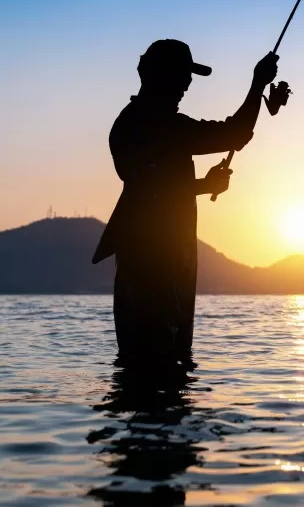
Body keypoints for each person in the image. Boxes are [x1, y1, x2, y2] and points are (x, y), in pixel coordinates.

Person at [92, 39, 288, 367]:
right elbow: (234, 133)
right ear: (158, 76)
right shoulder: (156, 125)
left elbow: (153, 188)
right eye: (182, 74)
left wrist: (203, 185)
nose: (187, 83)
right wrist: (257, 84)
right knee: (160, 364)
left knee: (152, 370)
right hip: (156, 271)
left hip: (163, 267)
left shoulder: (135, 123)